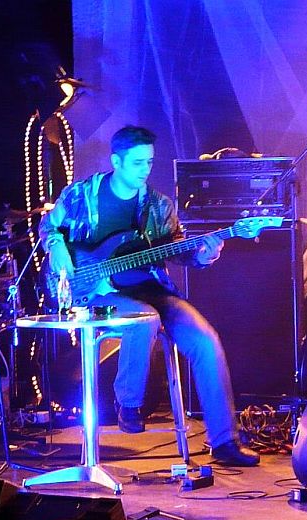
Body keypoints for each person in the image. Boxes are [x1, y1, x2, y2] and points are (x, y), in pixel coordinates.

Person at [39, 125, 259, 466]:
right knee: (144, 319)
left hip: (152, 291)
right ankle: (128, 404)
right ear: (116, 161)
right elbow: (49, 226)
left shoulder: (158, 206)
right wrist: (57, 249)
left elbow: (178, 250)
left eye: (149, 162)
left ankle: (225, 441)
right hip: (96, 294)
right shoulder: (81, 195)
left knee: (205, 340)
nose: (146, 170)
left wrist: (204, 254)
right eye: (138, 163)